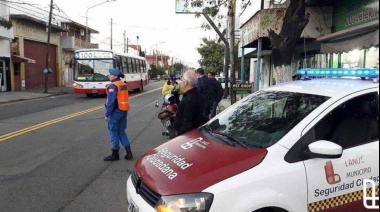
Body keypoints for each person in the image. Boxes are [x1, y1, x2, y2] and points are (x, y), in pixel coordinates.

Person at [104, 68, 133, 161]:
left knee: (113, 132)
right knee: (121, 132)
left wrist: (107, 114)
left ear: (115, 76)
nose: (109, 75)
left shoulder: (113, 86)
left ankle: (115, 154)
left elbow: (111, 102)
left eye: (110, 74)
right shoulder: (123, 84)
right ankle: (129, 153)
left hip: (115, 112)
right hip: (123, 111)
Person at [173, 71, 207, 136]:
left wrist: (179, 137)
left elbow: (186, 123)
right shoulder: (196, 94)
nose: (181, 82)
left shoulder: (189, 99)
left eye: (182, 79)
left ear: (186, 82)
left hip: (187, 136)